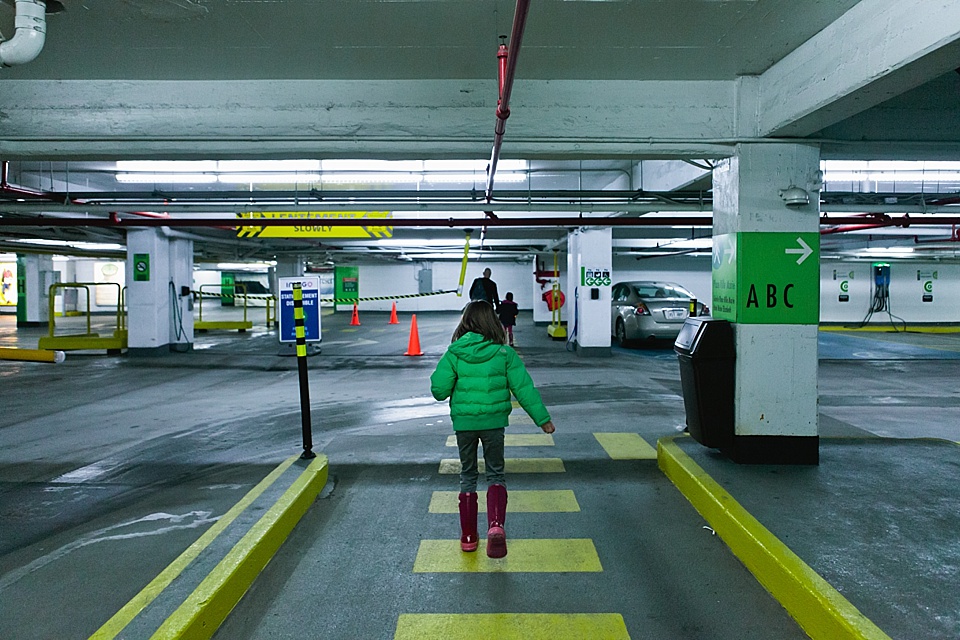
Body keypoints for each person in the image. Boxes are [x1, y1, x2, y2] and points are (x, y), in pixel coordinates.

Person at [430, 301, 555, 559]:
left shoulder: (454, 353)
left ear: (465, 322)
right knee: (496, 473)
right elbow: (524, 389)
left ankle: (467, 537)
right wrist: (542, 419)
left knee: (468, 474)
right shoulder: (504, 353)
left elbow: (439, 391)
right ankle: (496, 525)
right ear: (493, 322)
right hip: (494, 423)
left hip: (465, 424)